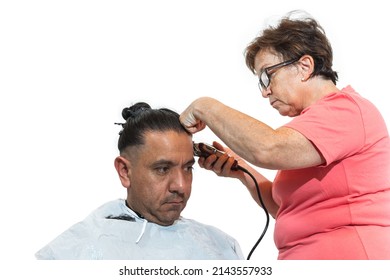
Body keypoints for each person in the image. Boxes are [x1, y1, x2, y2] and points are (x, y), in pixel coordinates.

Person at [179, 10, 390, 260]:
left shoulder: (346, 110)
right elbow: (288, 211)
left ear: (305, 66)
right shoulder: (310, 131)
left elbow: (268, 148)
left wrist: (206, 105)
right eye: (261, 82)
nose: (265, 92)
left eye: (268, 75)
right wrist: (242, 171)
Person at [35, 102, 243, 260]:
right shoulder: (72, 253)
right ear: (124, 171)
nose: (180, 185)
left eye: (188, 168)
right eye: (162, 169)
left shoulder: (223, 247)